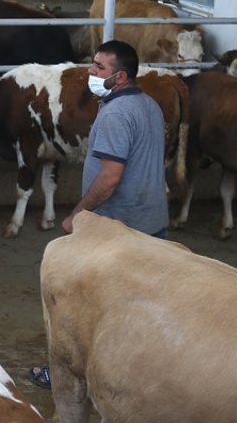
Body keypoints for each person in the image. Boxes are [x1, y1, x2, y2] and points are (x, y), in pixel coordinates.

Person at [28, 39, 168, 389]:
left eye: (99, 68)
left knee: (84, 307)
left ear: (119, 77)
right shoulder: (149, 104)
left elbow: (109, 177)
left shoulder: (116, 113)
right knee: (139, 308)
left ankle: (68, 373)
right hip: (153, 224)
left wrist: (78, 215)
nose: (90, 72)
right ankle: (137, 375)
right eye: (91, 64)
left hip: (117, 229)